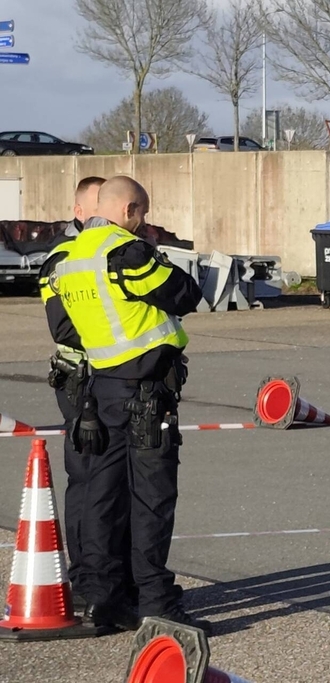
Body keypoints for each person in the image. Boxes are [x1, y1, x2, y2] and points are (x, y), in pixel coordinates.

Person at [38, 175, 208, 634]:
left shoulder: (66, 260)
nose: (145, 223)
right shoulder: (126, 253)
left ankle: (102, 598)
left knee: (99, 495)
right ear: (129, 209)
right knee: (151, 499)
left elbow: (65, 331)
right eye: (143, 214)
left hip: (100, 388)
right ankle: (155, 601)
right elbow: (186, 294)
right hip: (146, 391)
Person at [38, 175, 139, 613]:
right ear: (81, 211)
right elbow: (65, 328)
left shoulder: (94, 253)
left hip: (101, 379)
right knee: (94, 484)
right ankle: (91, 580)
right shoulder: (65, 257)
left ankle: (103, 578)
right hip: (84, 382)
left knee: (103, 484)